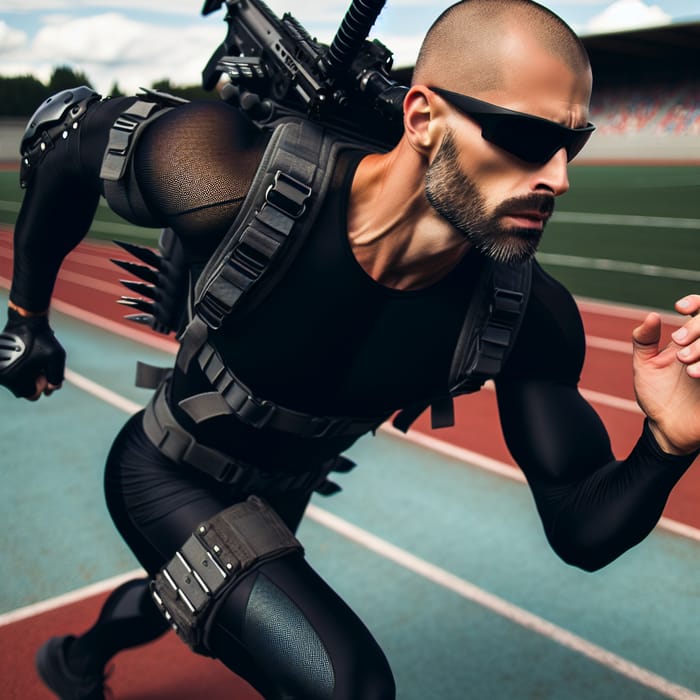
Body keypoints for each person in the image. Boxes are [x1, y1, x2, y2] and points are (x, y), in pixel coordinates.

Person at [2, 0, 699, 698]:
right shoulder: (229, 176)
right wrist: (29, 316)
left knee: (178, 596)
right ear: (423, 119)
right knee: (349, 687)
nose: (558, 178)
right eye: (523, 135)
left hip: (283, 494)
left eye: (570, 144)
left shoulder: (528, 316)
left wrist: (669, 445)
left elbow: (580, 525)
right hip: (166, 471)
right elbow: (62, 136)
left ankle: (76, 659)